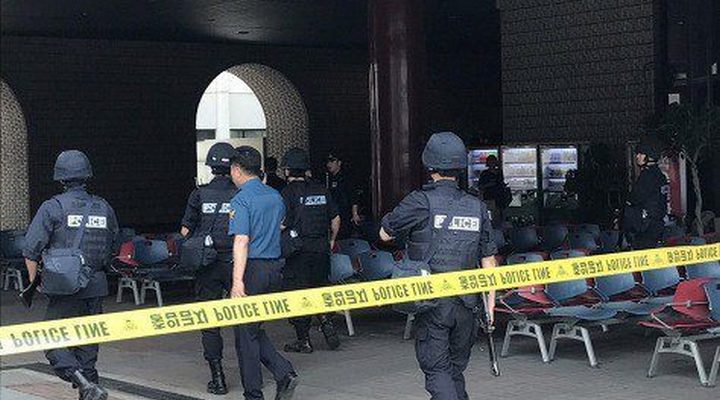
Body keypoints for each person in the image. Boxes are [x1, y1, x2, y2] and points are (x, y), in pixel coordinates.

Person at [378, 132, 498, 400]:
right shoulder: (476, 206)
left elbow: (384, 234)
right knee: (454, 370)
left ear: (429, 164)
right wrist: (490, 305)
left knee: (438, 371)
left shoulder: (419, 201)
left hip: (432, 303)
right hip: (468, 304)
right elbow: (488, 260)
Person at [23, 150, 119, 400]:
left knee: (50, 340)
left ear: (61, 178)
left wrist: (35, 283)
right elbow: (113, 247)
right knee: (87, 350)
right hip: (96, 286)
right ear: (86, 175)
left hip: (64, 288)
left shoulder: (52, 207)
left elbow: (30, 251)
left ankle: (84, 384)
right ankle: (90, 387)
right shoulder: (104, 207)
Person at [228, 146, 298, 400]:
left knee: (245, 336)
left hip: (253, 271)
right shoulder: (275, 196)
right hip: (274, 269)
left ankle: (254, 393)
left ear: (236, 170)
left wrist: (237, 281)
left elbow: (241, 241)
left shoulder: (241, 200)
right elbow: (280, 226)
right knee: (254, 328)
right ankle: (283, 372)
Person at [180, 142, 238, 395]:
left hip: (207, 265)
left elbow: (185, 231)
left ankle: (218, 377)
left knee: (210, 321)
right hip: (235, 262)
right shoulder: (239, 193)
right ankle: (252, 370)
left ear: (211, 166)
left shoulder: (199, 194)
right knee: (244, 318)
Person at [279, 148, 341, 353]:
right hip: (321, 249)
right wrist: (331, 240)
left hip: (298, 252)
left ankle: (303, 340)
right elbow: (335, 218)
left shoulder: (286, 193)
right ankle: (325, 320)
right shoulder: (321, 190)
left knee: (298, 295)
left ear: (288, 170)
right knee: (320, 287)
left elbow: (283, 223)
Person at [623, 141, 668, 249]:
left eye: (640, 154)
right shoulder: (660, 175)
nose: (637, 156)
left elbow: (635, 198)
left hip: (645, 226)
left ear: (649, 157)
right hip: (657, 223)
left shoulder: (647, 176)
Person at [325, 152, 360, 239]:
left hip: (344, 213)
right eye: (328, 162)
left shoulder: (346, 178)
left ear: (339, 163)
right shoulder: (327, 179)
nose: (329, 164)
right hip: (332, 213)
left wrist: (354, 213)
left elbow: (353, 196)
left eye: (332, 161)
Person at [476, 154, 510, 227]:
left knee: (501, 215)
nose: (492, 164)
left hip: (500, 197)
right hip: (490, 198)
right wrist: (489, 184)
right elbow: (480, 186)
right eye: (491, 162)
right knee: (493, 216)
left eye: (493, 162)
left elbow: (501, 182)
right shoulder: (485, 173)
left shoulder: (499, 172)